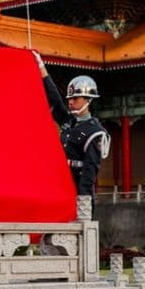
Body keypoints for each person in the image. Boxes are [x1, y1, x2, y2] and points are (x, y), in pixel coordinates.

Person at [35, 52, 110, 199]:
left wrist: (83, 203)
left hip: (77, 191)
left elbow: (89, 172)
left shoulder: (95, 133)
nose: (70, 102)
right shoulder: (68, 121)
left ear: (88, 100)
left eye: (75, 98)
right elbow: (55, 100)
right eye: (69, 98)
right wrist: (41, 67)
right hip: (60, 186)